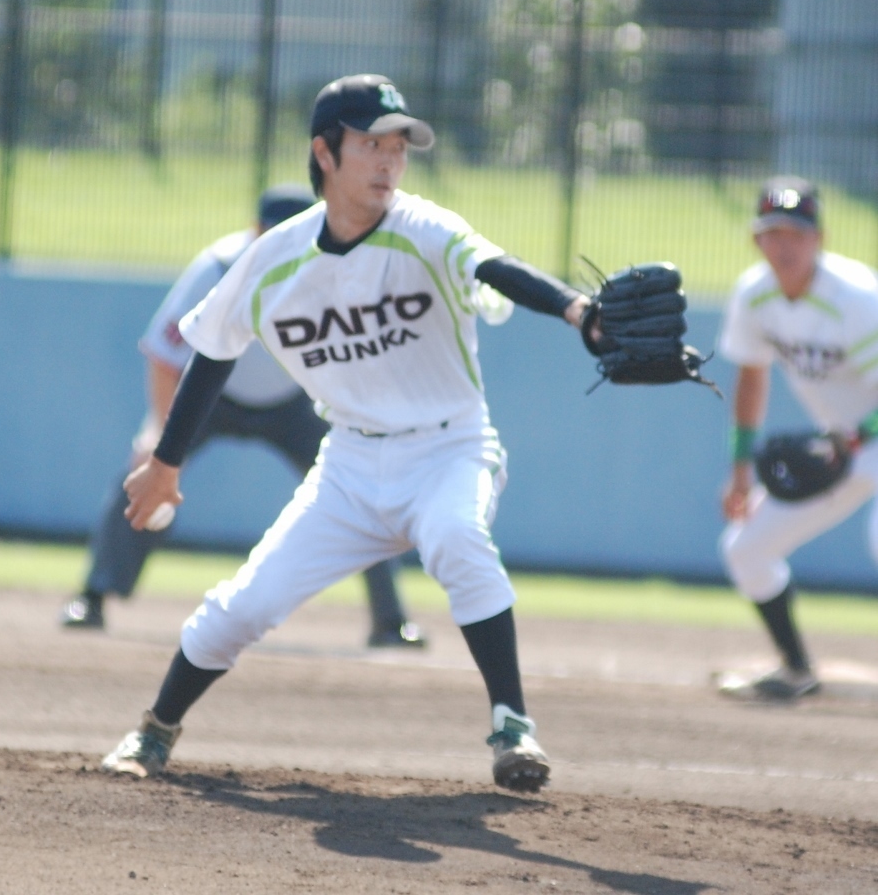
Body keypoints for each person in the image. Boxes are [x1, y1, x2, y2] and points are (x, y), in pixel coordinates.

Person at [100, 72, 594, 793]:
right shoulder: (275, 257)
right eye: (371, 144)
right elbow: (211, 349)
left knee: (458, 538)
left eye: (399, 145)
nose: (390, 160)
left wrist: (581, 311)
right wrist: (167, 463)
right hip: (350, 467)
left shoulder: (423, 227)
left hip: (450, 447)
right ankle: (155, 729)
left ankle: (511, 722)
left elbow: (495, 267)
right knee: (242, 608)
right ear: (324, 154)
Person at [59, 183, 426, 649]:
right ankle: (92, 595)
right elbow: (164, 353)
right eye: (275, 231)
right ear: (256, 231)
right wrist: (158, 429)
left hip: (296, 401)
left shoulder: (335, 269)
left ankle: (389, 620)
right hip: (211, 396)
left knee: (361, 488)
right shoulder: (217, 266)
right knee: (146, 473)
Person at [717, 175, 878, 701]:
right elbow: (752, 375)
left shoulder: (857, 298)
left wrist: (856, 439)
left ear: (819, 239)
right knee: (746, 548)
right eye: (774, 232)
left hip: (861, 437)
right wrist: (741, 469)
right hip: (843, 445)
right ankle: (796, 671)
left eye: (797, 233)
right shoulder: (755, 294)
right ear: (756, 240)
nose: (785, 244)